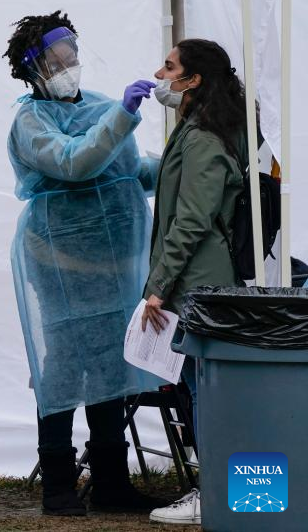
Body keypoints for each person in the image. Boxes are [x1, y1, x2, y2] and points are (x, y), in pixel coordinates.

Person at [4, 11, 168, 516]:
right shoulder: (31, 121)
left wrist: (181, 161)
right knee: (62, 365)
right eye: (56, 61)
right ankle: (57, 483)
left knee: (110, 363)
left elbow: (128, 170)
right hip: (58, 261)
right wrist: (123, 114)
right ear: (33, 70)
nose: (68, 67)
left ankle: (111, 483)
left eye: (71, 56)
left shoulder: (98, 105)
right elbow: (76, 163)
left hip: (111, 264)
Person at [142, 39, 248, 526]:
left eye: (169, 67)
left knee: (205, 390)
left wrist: (159, 286)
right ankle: (215, 491)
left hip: (199, 285)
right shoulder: (197, 129)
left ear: (193, 80)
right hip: (196, 282)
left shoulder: (204, 138)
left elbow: (190, 221)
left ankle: (213, 494)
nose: (160, 75)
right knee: (197, 386)